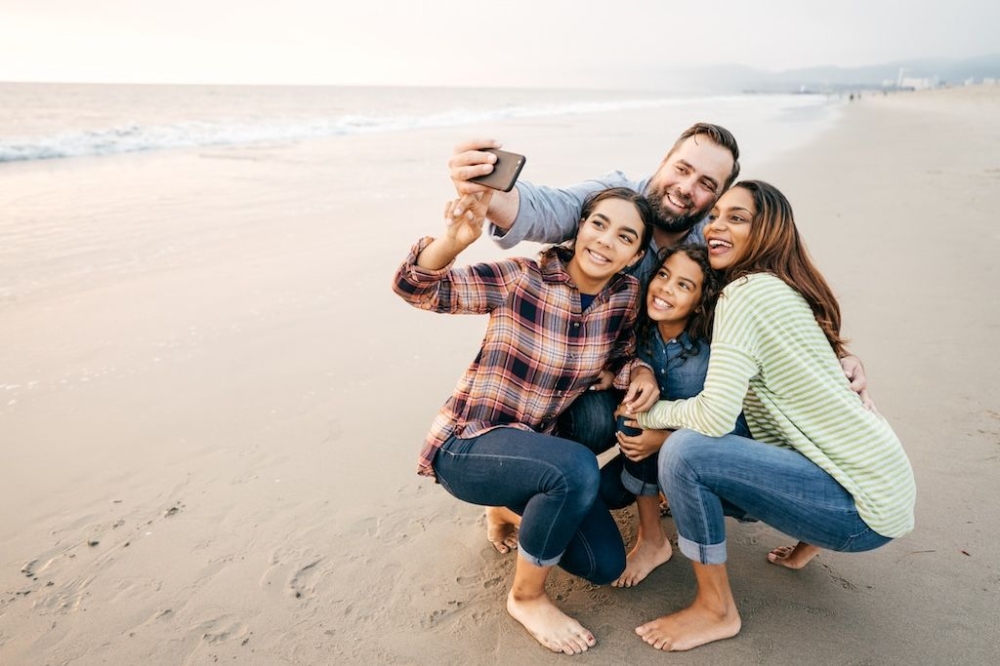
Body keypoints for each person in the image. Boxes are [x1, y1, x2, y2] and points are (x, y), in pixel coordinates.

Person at [448, 123, 873, 544]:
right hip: (588, 366)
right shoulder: (619, 199)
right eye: (682, 169)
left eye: (707, 183)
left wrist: (836, 354)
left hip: (654, 367)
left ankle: (668, 470)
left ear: (717, 197)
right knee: (595, 421)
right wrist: (491, 195)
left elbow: (777, 278)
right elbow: (546, 208)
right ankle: (513, 490)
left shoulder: (712, 235)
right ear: (662, 162)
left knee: (700, 373)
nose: (688, 187)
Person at [623, 180, 916, 652]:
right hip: (882, 487)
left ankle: (716, 609)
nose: (716, 226)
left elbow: (715, 417)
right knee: (731, 432)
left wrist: (652, 413)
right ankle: (809, 539)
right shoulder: (781, 289)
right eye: (715, 216)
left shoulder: (746, 294)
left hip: (861, 510)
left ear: (769, 231)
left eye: (736, 218)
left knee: (686, 452)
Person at [392, 186, 662, 655]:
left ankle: (510, 505)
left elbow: (623, 353)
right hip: (469, 445)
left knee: (604, 564)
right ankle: (527, 596)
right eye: (598, 224)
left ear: (635, 254)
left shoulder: (625, 297)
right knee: (576, 467)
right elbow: (416, 288)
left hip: (538, 448)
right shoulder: (523, 277)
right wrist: (454, 240)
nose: (605, 241)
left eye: (624, 236)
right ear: (580, 228)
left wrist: (637, 369)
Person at [598, 244, 749, 588]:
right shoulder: (644, 332)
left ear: (700, 302)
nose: (666, 287)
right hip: (658, 449)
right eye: (664, 275)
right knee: (605, 490)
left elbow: (735, 427)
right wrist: (621, 375)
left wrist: (663, 441)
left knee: (637, 426)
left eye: (684, 285)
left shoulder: (712, 353)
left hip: (713, 454)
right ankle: (656, 520)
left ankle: (654, 539)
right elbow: (621, 359)